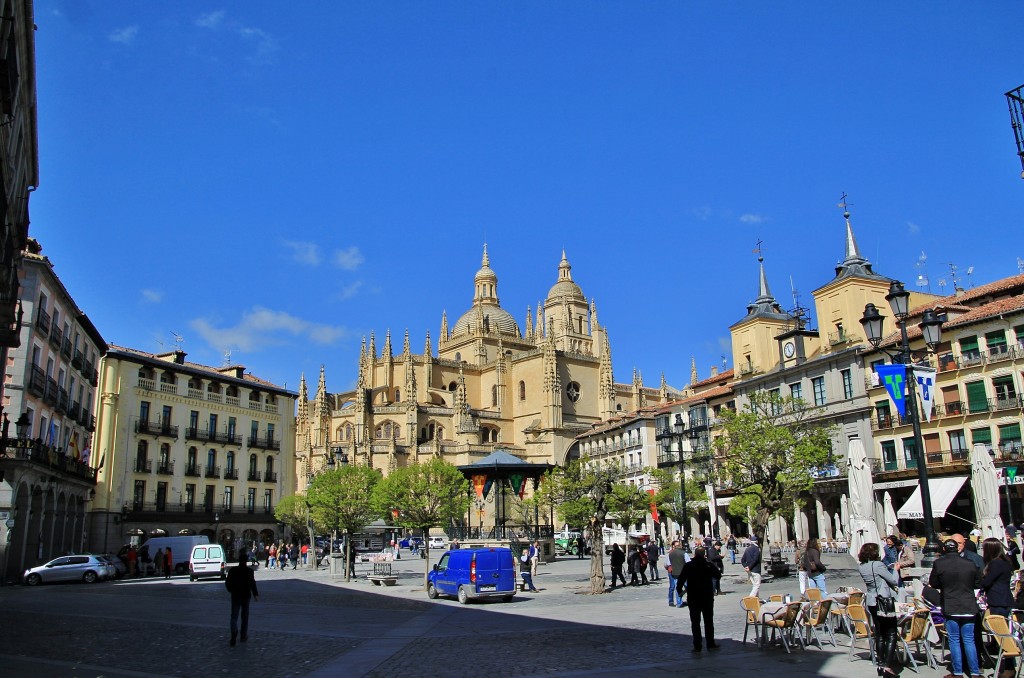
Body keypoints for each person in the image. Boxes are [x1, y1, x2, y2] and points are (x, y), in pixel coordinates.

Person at [929, 537, 982, 678]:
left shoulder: (939, 564)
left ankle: (958, 672)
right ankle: (975, 672)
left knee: (954, 639)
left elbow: (933, 583)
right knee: (969, 639)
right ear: (957, 548)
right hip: (969, 604)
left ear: (944, 549)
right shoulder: (970, 563)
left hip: (951, 604)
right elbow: (978, 583)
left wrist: (946, 585)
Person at [858, 541, 901, 677]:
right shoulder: (878, 565)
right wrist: (895, 570)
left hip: (871, 600)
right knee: (891, 633)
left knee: (879, 633)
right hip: (883, 601)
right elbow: (892, 580)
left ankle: (881, 663)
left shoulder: (862, 566)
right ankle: (888, 666)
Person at [981, 537, 1016, 678]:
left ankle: (1008, 667)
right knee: (1005, 635)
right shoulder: (1006, 561)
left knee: (1002, 637)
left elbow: (987, 582)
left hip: (998, 601)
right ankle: (1009, 666)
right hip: (1005, 600)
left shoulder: (995, 564)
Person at [679, 547, 719, 653]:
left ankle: (697, 646)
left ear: (695, 555)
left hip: (693, 597)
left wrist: (679, 591)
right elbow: (718, 575)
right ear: (704, 554)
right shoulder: (709, 565)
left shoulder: (689, 565)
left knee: (695, 622)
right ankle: (710, 643)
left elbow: (681, 579)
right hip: (707, 597)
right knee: (708, 621)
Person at [225, 551, 259, 646]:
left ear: (239, 560)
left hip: (235, 596)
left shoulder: (233, 570)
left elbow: (227, 583)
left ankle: (234, 631)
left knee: (234, 616)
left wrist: (231, 590)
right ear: (246, 561)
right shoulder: (249, 571)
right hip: (245, 596)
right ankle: (243, 636)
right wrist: (255, 594)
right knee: (244, 617)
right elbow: (252, 583)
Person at [667, 540, 686, 608]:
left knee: (677, 587)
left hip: (674, 573)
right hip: (681, 573)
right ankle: (675, 601)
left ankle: (679, 602)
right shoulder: (683, 553)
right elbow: (689, 562)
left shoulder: (670, 554)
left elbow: (667, 564)